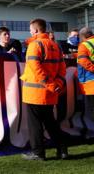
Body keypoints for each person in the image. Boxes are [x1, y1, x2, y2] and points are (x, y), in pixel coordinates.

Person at [20, 18, 67, 160]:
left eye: (30, 29)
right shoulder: (56, 46)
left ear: (35, 30)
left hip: (35, 93)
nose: (29, 31)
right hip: (50, 93)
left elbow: (36, 68)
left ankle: (38, 153)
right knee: (51, 123)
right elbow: (62, 69)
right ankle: (62, 150)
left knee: (35, 124)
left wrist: (51, 85)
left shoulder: (35, 44)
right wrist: (56, 84)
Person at [76, 27, 94, 124]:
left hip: (90, 82)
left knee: (90, 110)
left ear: (83, 36)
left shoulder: (84, 45)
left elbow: (83, 61)